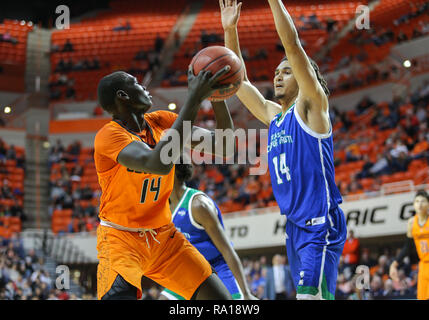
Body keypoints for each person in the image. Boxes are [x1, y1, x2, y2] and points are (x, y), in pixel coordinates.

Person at [220, 0, 347, 300]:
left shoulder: (312, 106)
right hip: (294, 228)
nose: (278, 76)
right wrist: (230, 29)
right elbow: (240, 82)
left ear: (304, 78)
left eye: (287, 71)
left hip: (319, 223)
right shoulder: (274, 116)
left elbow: (291, 44)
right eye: (277, 73)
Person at [94, 65, 235, 300]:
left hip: (164, 238)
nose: (144, 87)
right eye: (137, 82)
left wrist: (217, 97)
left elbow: (225, 146)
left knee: (221, 302)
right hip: (121, 240)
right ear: (123, 96)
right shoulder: (109, 136)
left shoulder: (162, 121)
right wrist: (194, 98)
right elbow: (157, 162)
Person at [159, 159, 257, 300]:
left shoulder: (198, 205)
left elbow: (227, 250)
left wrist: (246, 293)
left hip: (217, 270)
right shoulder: (164, 205)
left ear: (171, 173)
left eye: (159, 169)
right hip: (191, 271)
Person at [389, 189, 429, 300]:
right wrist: (394, 264)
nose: (420, 204)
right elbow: (407, 247)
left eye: (423, 201)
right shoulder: (412, 222)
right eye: (417, 201)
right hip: (424, 265)